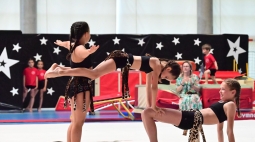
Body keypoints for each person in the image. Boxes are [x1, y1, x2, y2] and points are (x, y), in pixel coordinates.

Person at [45, 47, 181, 114]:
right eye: (166, 77)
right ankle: (60, 72)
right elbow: (153, 87)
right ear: (168, 69)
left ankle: (59, 67)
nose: (163, 79)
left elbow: (148, 86)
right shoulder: (156, 64)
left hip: (121, 59)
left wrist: (150, 106)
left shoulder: (153, 67)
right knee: (93, 74)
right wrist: (154, 107)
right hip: (121, 59)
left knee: (92, 73)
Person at [138, 78, 240, 142]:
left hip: (190, 118)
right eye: (220, 88)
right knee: (146, 113)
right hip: (190, 116)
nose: (220, 91)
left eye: (223, 89)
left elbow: (229, 130)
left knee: (147, 113)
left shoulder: (230, 105)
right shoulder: (224, 103)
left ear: (233, 92)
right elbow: (219, 128)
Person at [176, 61, 202, 135]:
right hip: (184, 95)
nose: (185, 68)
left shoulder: (194, 77)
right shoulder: (179, 78)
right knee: (185, 100)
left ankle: (195, 124)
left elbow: (198, 89)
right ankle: (186, 126)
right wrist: (182, 84)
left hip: (193, 94)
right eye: (184, 66)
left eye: (187, 66)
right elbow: (177, 90)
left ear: (190, 68)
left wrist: (192, 85)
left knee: (192, 99)